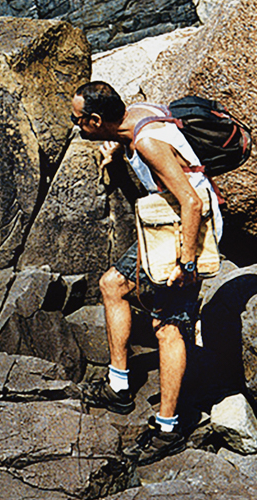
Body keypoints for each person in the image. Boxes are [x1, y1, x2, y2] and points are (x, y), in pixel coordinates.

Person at [71, 82, 222, 465]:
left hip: (188, 230)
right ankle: (119, 387)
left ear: (95, 120)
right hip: (160, 226)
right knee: (113, 285)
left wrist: (186, 264)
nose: (75, 128)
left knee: (168, 326)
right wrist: (116, 155)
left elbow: (190, 200)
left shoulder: (147, 143)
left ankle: (168, 426)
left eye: (78, 121)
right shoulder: (134, 118)